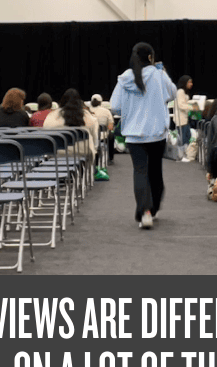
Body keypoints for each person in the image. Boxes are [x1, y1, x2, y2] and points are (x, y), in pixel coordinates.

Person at [110, 42, 177, 230]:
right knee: (155, 172)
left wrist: (131, 110)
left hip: (134, 135)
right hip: (157, 133)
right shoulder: (158, 74)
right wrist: (162, 72)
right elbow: (172, 94)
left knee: (140, 171)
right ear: (150, 57)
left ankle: (144, 211)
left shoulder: (124, 78)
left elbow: (115, 106)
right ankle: (153, 209)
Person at [43, 88, 100, 160]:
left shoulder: (52, 116)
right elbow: (95, 142)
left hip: (57, 159)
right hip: (84, 159)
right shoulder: (88, 117)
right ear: (79, 102)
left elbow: (46, 135)